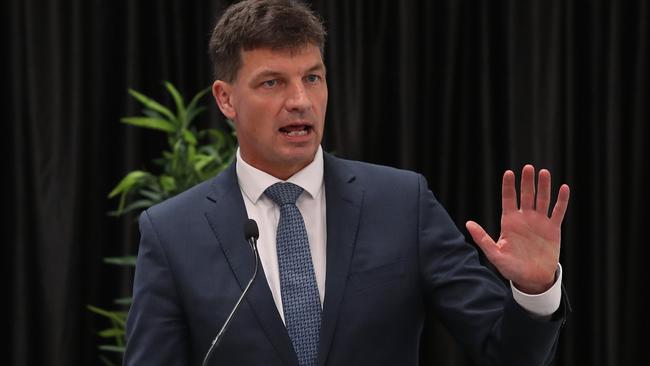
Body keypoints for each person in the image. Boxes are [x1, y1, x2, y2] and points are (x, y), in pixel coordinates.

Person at [124, 0, 571, 365]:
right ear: (226, 99)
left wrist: (534, 291)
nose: (299, 101)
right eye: (272, 83)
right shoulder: (172, 233)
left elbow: (506, 353)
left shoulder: (401, 204)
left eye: (312, 78)